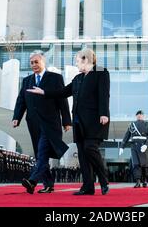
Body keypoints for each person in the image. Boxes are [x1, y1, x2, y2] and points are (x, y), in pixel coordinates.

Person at [28, 48, 110, 196]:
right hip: (79, 121)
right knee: (82, 154)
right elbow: (63, 92)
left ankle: (103, 179)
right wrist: (44, 92)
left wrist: (104, 113)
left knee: (90, 148)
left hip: (95, 120)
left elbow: (104, 94)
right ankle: (88, 187)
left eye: (78, 61)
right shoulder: (78, 78)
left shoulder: (101, 72)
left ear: (85, 59)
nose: (77, 64)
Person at [12, 50, 72, 194]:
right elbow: (21, 100)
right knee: (41, 154)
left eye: (36, 62)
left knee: (42, 151)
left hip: (50, 123)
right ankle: (49, 184)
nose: (34, 65)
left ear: (43, 62)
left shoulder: (55, 78)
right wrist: (16, 117)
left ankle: (32, 181)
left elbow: (62, 100)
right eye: (31, 63)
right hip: (34, 124)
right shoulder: (27, 81)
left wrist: (66, 121)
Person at [119, 110, 148, 188]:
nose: (139, 116)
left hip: (143, 147)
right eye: (138, 114)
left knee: (144, 165)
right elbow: (126, 136)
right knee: (136, 164)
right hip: (134, 146)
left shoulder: (147, 124)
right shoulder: (132, 125)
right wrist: (122, 146)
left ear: (143, 116)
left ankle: (144, 180)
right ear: (136, 116)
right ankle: (138, 181)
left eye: (141, 114)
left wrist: (146, 145)